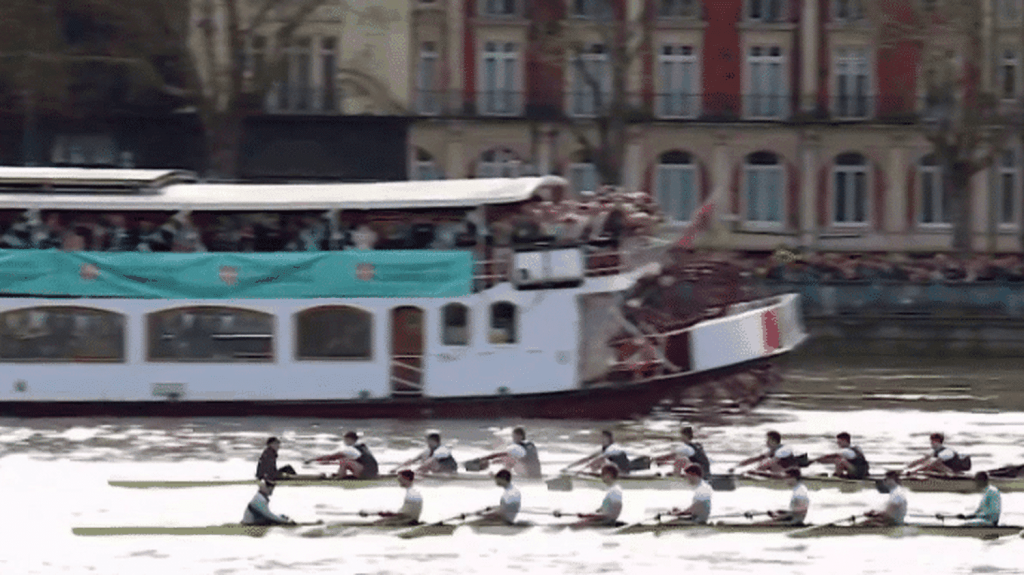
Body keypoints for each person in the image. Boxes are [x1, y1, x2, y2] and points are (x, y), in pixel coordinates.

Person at [306, 431, 379, 479]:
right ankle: (342, 476)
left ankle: (340, 478)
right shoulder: (362, 446)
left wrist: (313, 459)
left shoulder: (351, 449)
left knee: (344, 461)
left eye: (346, 440)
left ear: (351, 440)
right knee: (344, 461)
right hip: (372, 472)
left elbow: (332, 457)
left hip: (366, 473)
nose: (344, 442)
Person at [475, 427, 543, 478]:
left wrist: (483, 458)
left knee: (508, 459)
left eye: (514, 436)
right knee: (507, 458)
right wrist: (496, 461)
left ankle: (501, 476)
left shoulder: (517, 447)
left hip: (529, 474)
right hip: (538, 473)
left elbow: (500, 454)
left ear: (520, 436)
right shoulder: (530, 444)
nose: (513, 439)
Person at [734, 431, 807, 477]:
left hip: (791, 474)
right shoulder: (772, 451)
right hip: (782, 473)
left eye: (767, 440)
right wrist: (737, 466)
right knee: (762, 464)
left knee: (765, 465)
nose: (766, 442)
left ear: (773, 441)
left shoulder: (783, 450)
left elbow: (769, 463)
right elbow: (755, 459)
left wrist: (755, 471)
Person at [562, 430, 630, 475]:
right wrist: (569, 467)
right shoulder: (603, 449)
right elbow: (588, 458)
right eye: (601, 437)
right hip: (615, 469)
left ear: (610, 439)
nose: (601, 439)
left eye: (604, 438)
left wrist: (582, 469)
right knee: (596, 463)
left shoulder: (613, 447)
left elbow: (600, 459)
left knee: (600, 462)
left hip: (623, 471)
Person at [905, 433, 971, 476]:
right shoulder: (935, 452)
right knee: (926, 461)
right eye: (931, 441)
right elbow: (921, 460)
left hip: (953, 473)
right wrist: (906, 468)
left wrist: (914, 471)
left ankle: (915, 474)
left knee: (932, 463)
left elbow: (934, 463)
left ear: (938, 441)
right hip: (945, 471)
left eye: (933, 441)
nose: (931, 443)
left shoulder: (947, 452)